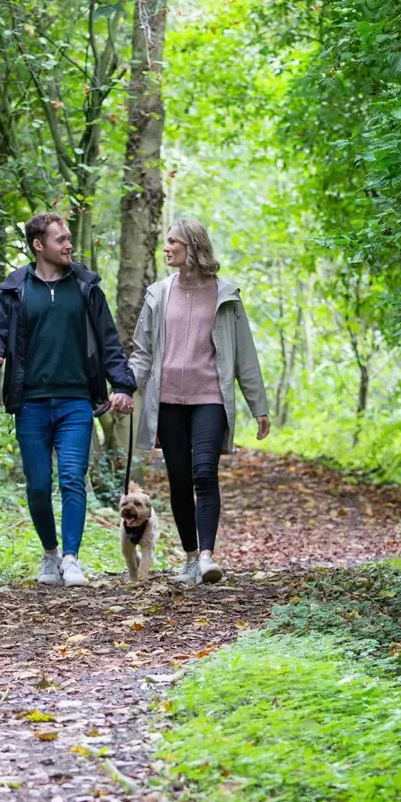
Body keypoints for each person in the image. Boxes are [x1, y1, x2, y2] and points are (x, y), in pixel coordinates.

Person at [0, 213, 135, 588]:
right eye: (60, 239)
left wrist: (123, 385)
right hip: (30, 402)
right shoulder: (14, 288)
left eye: (68, 238)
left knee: (73, 479)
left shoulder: (86, 286)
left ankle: (72, 558)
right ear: (38, 245)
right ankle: (50, 553)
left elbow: (109, 342)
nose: (68, 245)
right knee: (38, 485)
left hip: (75, 400)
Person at [128, 219, 269, 585]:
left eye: (173, 241)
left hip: (210, 397)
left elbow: (244, 354)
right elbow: (142, 352)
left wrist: (259, 405)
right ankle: (190, 558)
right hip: (169, 400)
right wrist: (125, 388)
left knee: (204, 472)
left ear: (192, 245)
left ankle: (207, 557)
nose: (166, 247)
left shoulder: (225, 295)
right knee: (178, 479)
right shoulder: (158, 294)